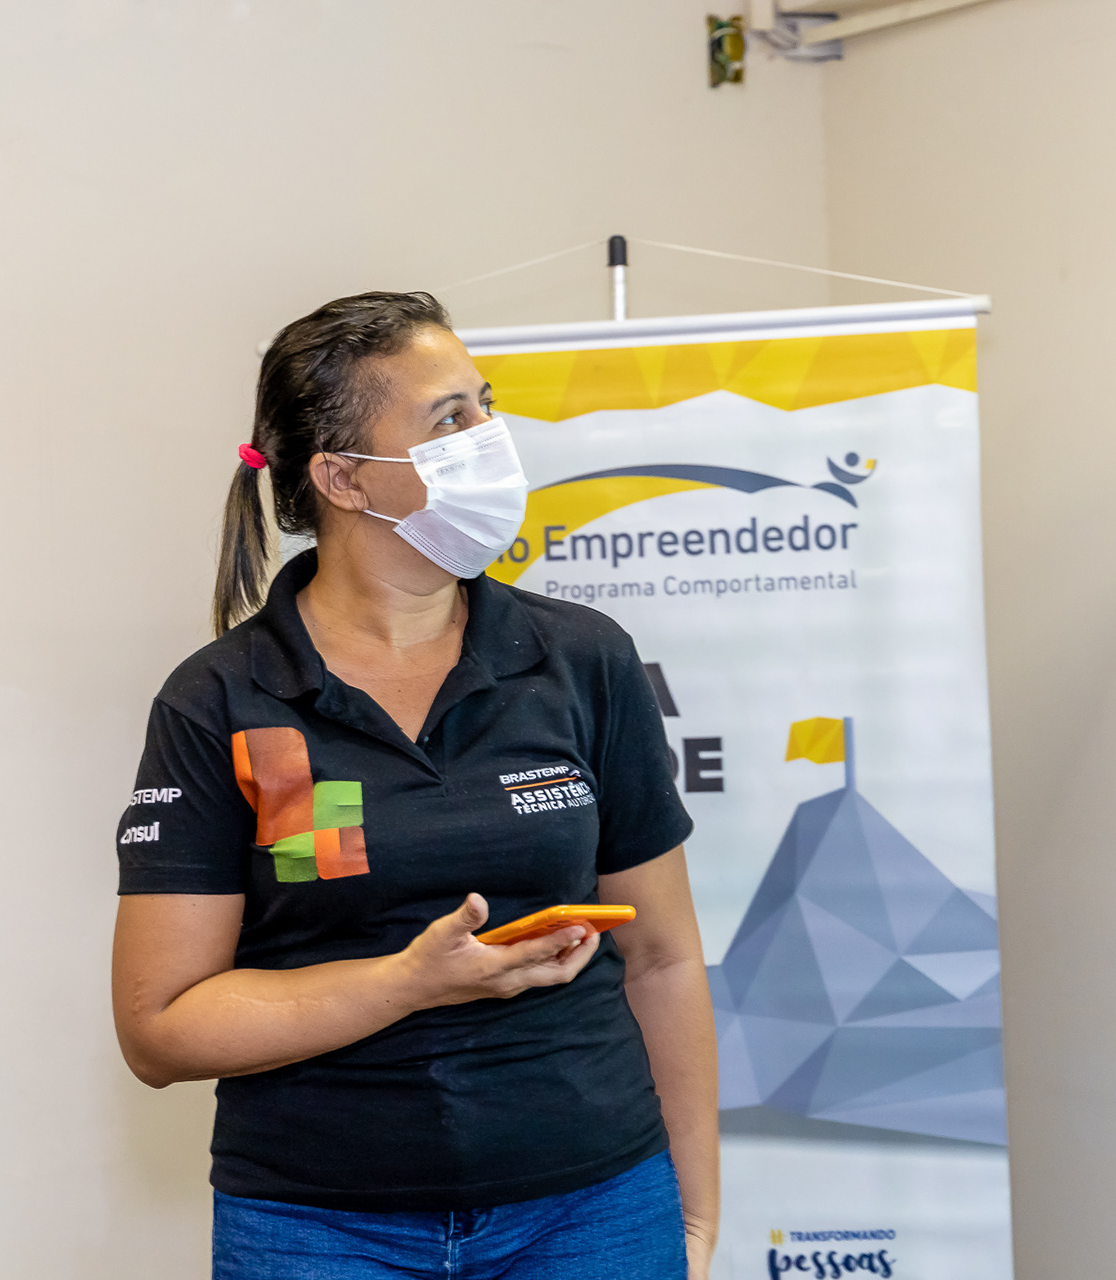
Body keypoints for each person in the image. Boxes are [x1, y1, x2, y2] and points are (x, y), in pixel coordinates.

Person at [110, 292, 719, 1280]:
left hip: (594, 1208)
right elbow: (161, 1027)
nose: (491, 437)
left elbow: (663, 956)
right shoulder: (221, 698)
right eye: (449, 419)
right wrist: (409, 982)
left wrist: (693, 1213)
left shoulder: (580, 658)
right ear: (343, 477)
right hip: (317, 1225)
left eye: (486, 404)